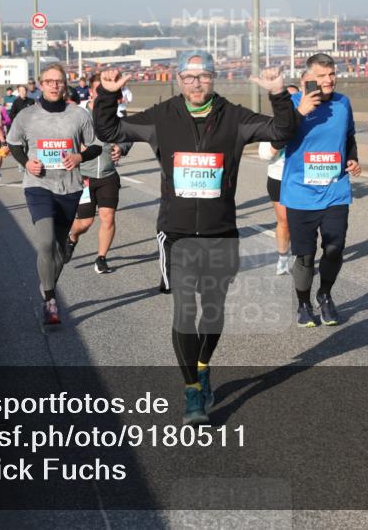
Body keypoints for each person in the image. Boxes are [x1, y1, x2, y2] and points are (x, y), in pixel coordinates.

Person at [93, 51, 297, 425]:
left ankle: (203, 365)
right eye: (189, 77)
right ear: (179, 81)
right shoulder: (162, 117)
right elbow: (109, 132)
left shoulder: (234, 117)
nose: (196, 83)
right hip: (177, 232)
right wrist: (107, 96)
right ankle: (191, 393)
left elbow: (284, 131)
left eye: (203, 77)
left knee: (213, 312)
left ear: (213, 79)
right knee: (186, 311)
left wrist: (279, 94)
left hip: (221, 231)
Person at [6, 64, 99, 326]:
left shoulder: (78, 115)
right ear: (41, 84)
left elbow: (94, 146)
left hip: (69, 186)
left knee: (58, 249)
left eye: (58, 81)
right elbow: (13, 143)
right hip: (38, 185)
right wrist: (26, 163)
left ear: (65, 84)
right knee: (45, 243)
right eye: (49, 81)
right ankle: (50, 299)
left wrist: (80, 155)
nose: (54, 85)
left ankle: (47, 284)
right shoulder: (26, 116)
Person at [280, 53, 360, 327]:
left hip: (335, 190)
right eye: (322, 76)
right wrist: (300, 110)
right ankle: (303, 303)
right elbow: (278, 137)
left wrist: (352, 158)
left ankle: (324, 295)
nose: (328, 80)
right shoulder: (292, 104)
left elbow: (349, 136)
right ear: (307, 79)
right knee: (304, 256)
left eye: (332, 74)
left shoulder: (343, 103)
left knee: (335, 247)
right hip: (300, 193)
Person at [65, 74, 133, 274]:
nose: (103, 93)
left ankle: (101, 258)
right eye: (99, 89)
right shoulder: (78, 115)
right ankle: (72, 238)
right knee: (85, 222)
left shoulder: (117, 117)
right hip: (83, 176)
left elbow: (128, 137)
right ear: (92, 92)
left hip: (108, 175)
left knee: (108, 217)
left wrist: (121, 148)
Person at [259, 82, 301, 275]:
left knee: (302, 222)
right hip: (279, 177)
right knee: (284, 221)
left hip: (302, 178)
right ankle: (283, 257)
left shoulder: (308, 123)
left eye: (294, 98)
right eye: (286, 98)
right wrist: (279, 141)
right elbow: (264, 155)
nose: (290, 102)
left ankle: (302, 258)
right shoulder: (271, 124)